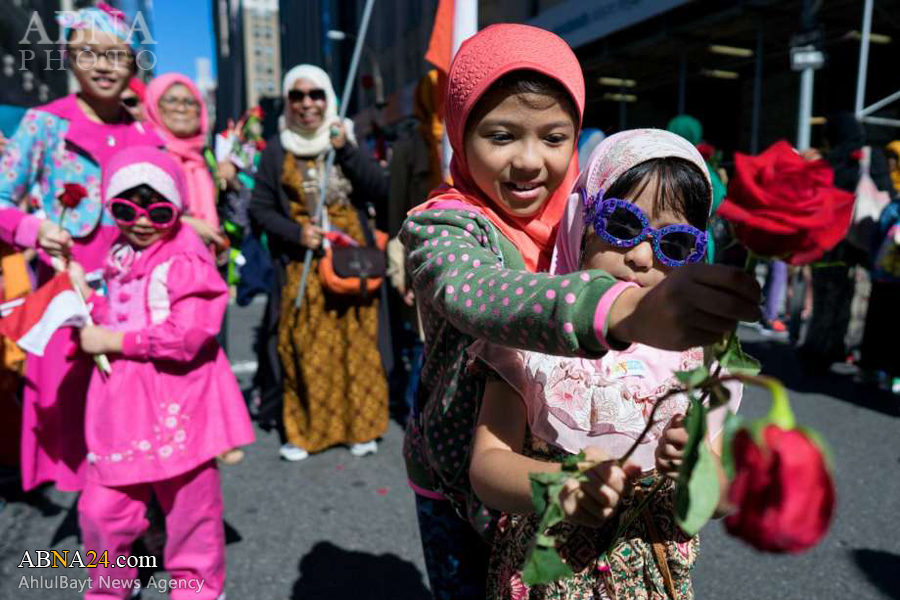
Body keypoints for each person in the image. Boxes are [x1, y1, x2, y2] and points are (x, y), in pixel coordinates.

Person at [400, 24, 760, 599]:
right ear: (459, 131)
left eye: (553, 137)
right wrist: (618, 312)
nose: (527, 161)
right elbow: (476, 293)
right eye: (500, 134)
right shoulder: (444, 224)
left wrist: (694, 467)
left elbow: (715, 488)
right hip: (454, 473)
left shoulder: (567, 226)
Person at [469, 129, 743, 599]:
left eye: (673, 244)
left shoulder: (699, 356)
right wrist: (559, 484)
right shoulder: (532, 336)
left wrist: (697, 467)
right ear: (580, 218)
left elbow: (719, 499)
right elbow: (486, 467)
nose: (640, 257)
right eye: (622, 224)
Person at [68, 146, 255, 600]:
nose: (142, 220)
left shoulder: (186, 253)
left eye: (158, 208)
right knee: (101, 510)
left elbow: (191, 334)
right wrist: (81, 299)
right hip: (120, 404)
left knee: (192, 509)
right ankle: (110, 586)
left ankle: (197, 587)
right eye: (125, 207)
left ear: (177, 207)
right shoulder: (118, 251)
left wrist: (112, 342)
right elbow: (112, 312)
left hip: (181, 400)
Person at [0, 5, 162, 493]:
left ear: (133, 65)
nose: (105, 65)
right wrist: (32, 228)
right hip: (67, 301)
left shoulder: (145, 135)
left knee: (132, 414)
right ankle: (98, 540)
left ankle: (132, 516)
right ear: (70, 56)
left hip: (132, 300)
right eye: (90, 53)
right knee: (73, 420)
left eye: (117, 55)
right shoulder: (43, 123)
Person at [248, 64, 390, 462]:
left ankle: (362, 428)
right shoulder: (277, 148)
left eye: (316, 95)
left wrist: (346, 147)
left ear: (328, 98)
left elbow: (380, 188)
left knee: (359, 346)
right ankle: (306, 431)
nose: (307, 104)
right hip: (303, 268)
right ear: (287, 102)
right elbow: (259, 209)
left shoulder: (342, 138)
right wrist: (296, 233)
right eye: (297, 96)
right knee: (303, 348)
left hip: (353, 262)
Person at [387, 69, 444, 422]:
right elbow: (397, 216)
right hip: (424, 260)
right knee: (426, 346)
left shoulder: (471, 137)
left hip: (472, 262)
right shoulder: (409, 147)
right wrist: (402, 272)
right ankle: (417, 420)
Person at [145, 73, 227, 252]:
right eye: (171, 100)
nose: (181, 108)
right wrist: (186, 226)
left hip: (204, 266)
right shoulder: (145, 154)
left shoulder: (207, 159)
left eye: (190, 102)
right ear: (154, 105)